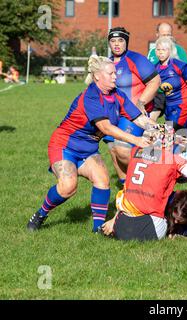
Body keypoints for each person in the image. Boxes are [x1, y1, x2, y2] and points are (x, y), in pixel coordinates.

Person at [27, 56, 157, 233]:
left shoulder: (117, 95)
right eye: (110, 73)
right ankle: (41, 214)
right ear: (97, 76)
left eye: (115, 73)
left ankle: (98, 230)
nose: (115, 77)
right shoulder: (91, 96)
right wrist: (136, 140)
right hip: (64, 146)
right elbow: (105, 127)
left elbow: (139, 118)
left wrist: (158, 129)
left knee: (103, 181)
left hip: (88, 150)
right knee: (68, 187)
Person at [101, 124, 187, 241]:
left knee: (138, 193)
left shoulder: (135, 152)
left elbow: (127, 190)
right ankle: (177, 234)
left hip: (121, 227)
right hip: (150, 229)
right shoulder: (173, 159)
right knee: (179, 210)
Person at [104, 27, 161, 185]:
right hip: (112, 115)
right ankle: (127, 190)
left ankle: (152, 179)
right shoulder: (107, 63)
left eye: (120, 40)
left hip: (133, 115)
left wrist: (141, 102)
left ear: (126, 42)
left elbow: (155, 81)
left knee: (121, 148)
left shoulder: (136, 59)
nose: (116, 44)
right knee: (113, 151)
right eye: (113, 41)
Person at [155, 37, 187, 131]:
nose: (160, 52)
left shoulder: (179, 65)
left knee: (166, 133)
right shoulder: (154, 69)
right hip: (169, 107)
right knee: (178, 141)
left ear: (169, 51)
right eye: (158, 49)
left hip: (184, 106)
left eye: (163, 50)